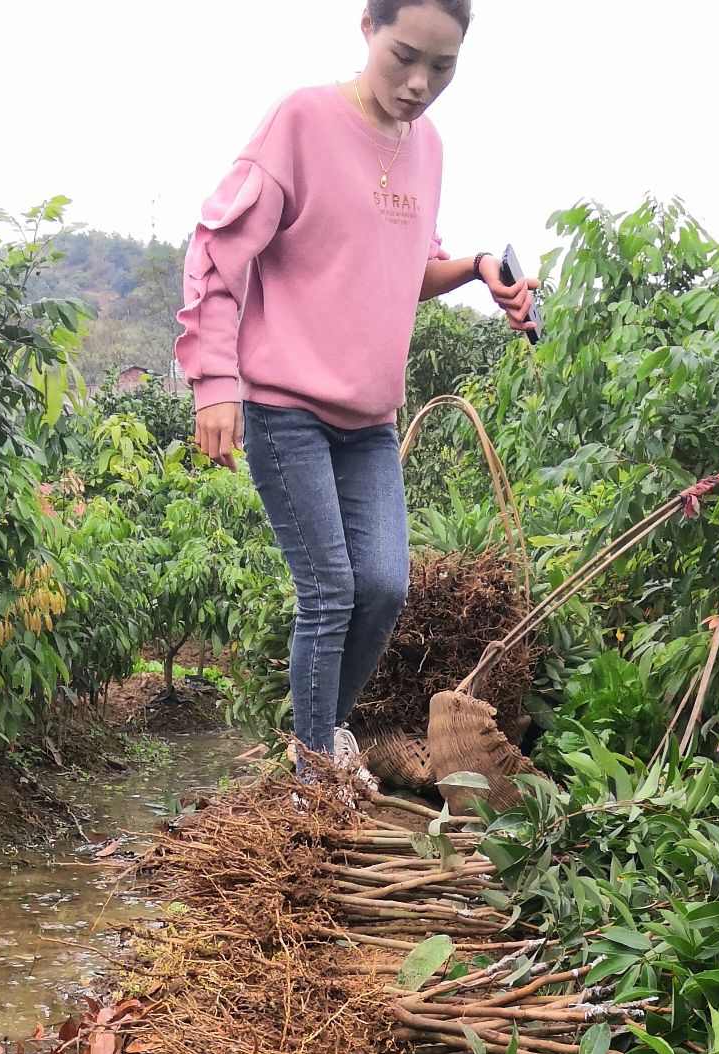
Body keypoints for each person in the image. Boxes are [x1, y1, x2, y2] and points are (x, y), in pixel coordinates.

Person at [175, 0, 534, 779]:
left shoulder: (429, 147)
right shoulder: (301, 122)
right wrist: (214, 381)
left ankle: (325, 737)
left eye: (443, 67)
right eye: (404, 56)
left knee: (382, 587)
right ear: (367, 28)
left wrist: (475, 268)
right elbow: (217, 249)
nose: (419, 82)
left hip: (369, 418)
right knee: (330, 590)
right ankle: (312, 779)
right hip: (283, 405)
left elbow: (406, 267)